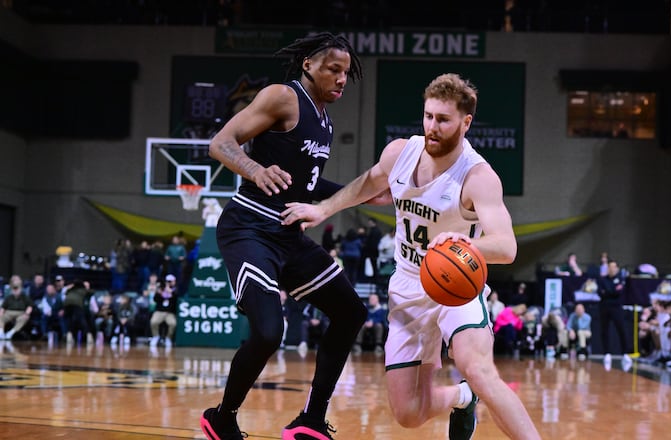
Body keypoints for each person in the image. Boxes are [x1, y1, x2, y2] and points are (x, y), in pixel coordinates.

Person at [282, 73, 541, 439]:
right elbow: (368, 184)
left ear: (466, 122)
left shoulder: (478, 176)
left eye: (444, 119)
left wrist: (464, 245)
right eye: (428, 116)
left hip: (456, 286)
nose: (432, 126)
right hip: (408, 284)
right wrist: (322, 209)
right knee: (408, 413)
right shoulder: (400, 153)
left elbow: (506, 246)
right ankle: (462, 397)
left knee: (479, 371)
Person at [198, 32, 369, 440]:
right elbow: (220, 144)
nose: (341, 79)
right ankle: (222, 417)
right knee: (269, 332)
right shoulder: (283, 97)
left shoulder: (324, 121)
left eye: (345, 73)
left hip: (288, 236)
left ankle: (311, 419)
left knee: (351, 312)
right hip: (249, 227)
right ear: (308, 64)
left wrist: (364, 192)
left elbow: (309, 185)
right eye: (333, 69)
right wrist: (255, 169)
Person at [597, 259, 632, 370]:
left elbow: (618, 292)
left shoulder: (621, 279)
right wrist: (611, 291)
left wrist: (609, 291)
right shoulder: (602, 279)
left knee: (622, 330)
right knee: (605, 330)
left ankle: (625, 353)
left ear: (617, 269)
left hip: (617, 307)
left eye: (613, 267)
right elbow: (601, 292)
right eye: (609, 267)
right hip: (604, 307)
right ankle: (607, 353)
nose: (611, 269)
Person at [149, 277, 178, 348]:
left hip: (169, 313)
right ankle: (156, 336)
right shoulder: (160, 289)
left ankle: (168, 338)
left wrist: (170, 292)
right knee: (153, 321)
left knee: (173, 323)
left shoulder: (175, 290)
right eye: (167, 281)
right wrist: (159, 293)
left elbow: (176, 300)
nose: (168, 283)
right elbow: (155, 299)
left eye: (170, 282)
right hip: (159, 311)